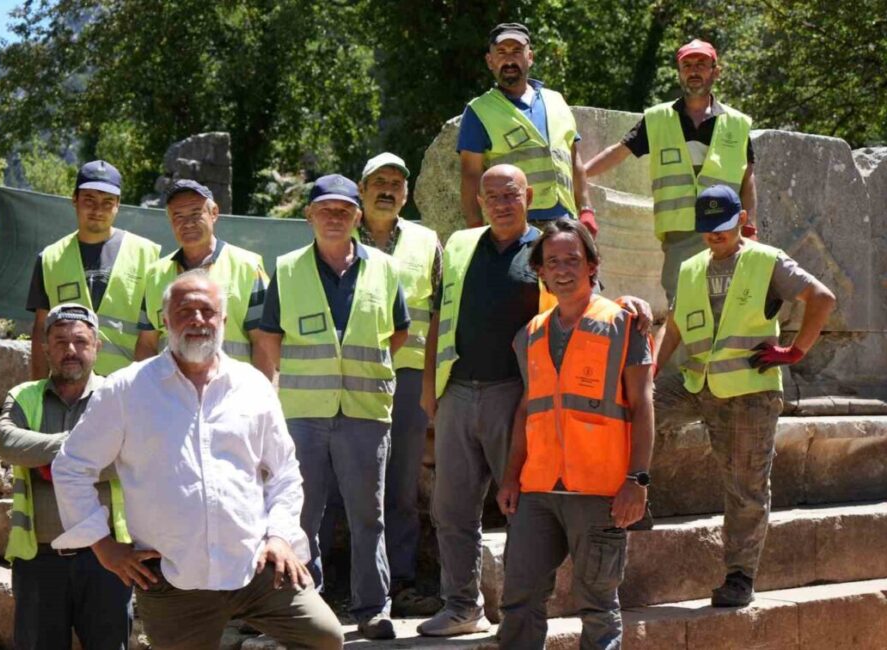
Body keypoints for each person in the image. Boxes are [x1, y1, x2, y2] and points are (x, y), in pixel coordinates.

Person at [49, 271, 344, 649]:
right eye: (186, 311)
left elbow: (284, 472)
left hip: (254, 567)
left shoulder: (252, 385)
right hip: (173, 580)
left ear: (223, 320)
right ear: (165, 319)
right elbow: (72, 466)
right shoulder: (127, 389)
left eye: (208, 311)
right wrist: (103, 546)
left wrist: (281, 536)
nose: (198, 320)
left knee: (325, 638)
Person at [417, 164, 650, 637]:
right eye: (491, 195)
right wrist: (429, 385)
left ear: (529, 196)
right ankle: (461, 604)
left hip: (548, 427)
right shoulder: (465, 250)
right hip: (473, 402)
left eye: (511, 194)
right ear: (478, 200)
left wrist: (637, 480)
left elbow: (590, 302)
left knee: (587, 591)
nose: (501, 203)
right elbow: (441, 314)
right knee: (460, 518)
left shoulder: (565, 268)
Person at [654, 185, 836, 607]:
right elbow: (676, 325)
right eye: (708, 228)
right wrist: (650, 369)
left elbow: (822, 298)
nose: (715, 235)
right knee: (637, 409)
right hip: (696, 383)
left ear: (740, 220)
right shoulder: (691, 266)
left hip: (750, 392)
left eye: (722, 226)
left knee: (746, 487)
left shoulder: (766, 259)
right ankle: (634, 495)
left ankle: (739, 577)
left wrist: (795, 351)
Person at [256, 174, 409, 640]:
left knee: (369, 515)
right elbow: (270, 338)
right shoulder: (285, 268)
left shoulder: (384, 268)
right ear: (309, 217)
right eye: (325, 210)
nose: (335, 217)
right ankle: (307, 603)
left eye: (344, 210)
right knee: (302, 515)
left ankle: (373, 608)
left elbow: (397, 332)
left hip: (364, 411)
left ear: (358, 217)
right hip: (303, 413)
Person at [495, 219, 654, 649]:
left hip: (601, 491)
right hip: (538, 490)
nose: (562, 269)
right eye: (552, 262)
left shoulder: (625, 324)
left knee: (599, 608)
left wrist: (636, 481)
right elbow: (528, 409)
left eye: (572, 259)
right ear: (540, 272)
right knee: (519, 599)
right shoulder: (528, 336)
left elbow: (642, 407)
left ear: (592, 266)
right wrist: (511, 477)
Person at [0, 303, 133, 649]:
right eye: (59, 342)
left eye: (80, 341)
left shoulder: (119, 396)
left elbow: (127, 459)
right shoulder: (24, 396)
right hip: (40, 560)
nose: (70, 350)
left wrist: (49, 459)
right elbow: (9, 444)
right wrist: (82, 451)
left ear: (96, 346)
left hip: (108, 559)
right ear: (45, 348)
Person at [585, 39, 757, 307]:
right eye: (687, 65)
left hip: (727, 231)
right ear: (679, 72)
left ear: (716, 71)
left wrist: (750, 228)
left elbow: (748, 180)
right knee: (683, 306)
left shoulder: (737, 123)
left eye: (701, 64)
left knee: (729, 306)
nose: (694, 71)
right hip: (680, 235)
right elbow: (618, 152)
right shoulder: (658, 119)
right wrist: (579, 176)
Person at [356, 152, 444, 615]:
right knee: (347, 485)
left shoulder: (428, 242)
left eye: (396, 182)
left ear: (406, 193)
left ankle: (402, 582)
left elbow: (441, 315)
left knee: (403, 485)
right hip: (350, 377)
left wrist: (431, 384)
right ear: (361, 187)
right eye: (378, 181)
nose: (387, 189)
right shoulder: (338, 233)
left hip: (410, 379)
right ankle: (351, 586)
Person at [457, 22, 597, 234]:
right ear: (490, 61)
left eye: (517, 51)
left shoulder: (556, 101)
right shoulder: (479, 111)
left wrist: (586, 209)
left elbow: (574, 161)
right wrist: (475, 231)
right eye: (501, 52)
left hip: (564, 224)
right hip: (512, 229)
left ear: (529, 57)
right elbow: (470, 177)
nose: (509, 59)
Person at [26, 160, 161, 378]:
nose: (98, 209)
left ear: (118, 205)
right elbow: (41, 331)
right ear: (74, 199)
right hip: (68, 391)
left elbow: (154, 335)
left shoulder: (147, 255)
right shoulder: (49, 259)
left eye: (107, 202)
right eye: (89, 200)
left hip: (125, 391)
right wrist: (39, 392)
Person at [134, 179, 271, 375]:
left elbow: (263, 342)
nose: (187, 223)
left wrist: (259, 397)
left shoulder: (247, 267)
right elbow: (147, 343)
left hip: (231, 393)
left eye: (195, 214)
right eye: (178, 216)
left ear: (214, 213)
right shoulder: (156, 274)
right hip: (172, 397)